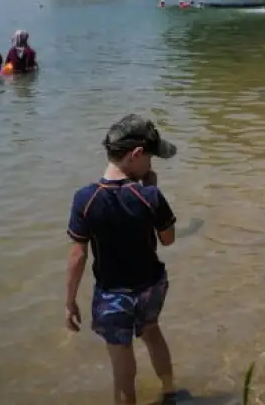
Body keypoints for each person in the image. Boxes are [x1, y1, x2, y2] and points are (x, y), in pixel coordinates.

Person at [65, 114, 180, 405]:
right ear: (136, 155)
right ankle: (169, 393)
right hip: (151, 286)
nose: (151, 166)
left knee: (121, 354)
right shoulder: (149, 195)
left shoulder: (85, 199)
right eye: (151, 159)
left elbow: (78, 255)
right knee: (153, 333)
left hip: (111, 293)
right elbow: (168, 239)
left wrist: (70, 300)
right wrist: (153, 189)